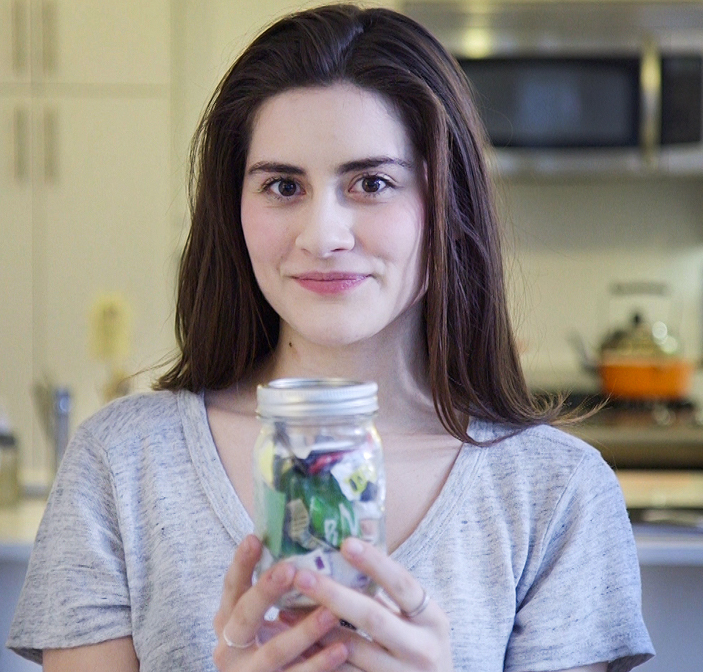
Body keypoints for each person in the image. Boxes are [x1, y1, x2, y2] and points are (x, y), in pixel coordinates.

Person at [8, 4, 654, 671]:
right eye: (282, 185)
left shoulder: (557, 492)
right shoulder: (120, 465)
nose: (322, 236)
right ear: (233, 209)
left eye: (371, 183)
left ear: (446, 203)